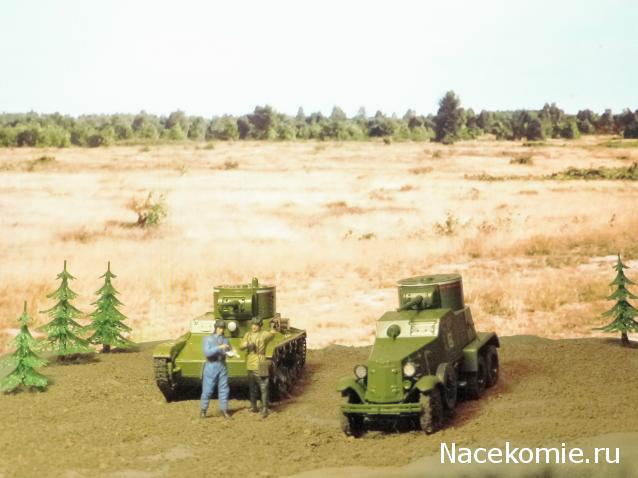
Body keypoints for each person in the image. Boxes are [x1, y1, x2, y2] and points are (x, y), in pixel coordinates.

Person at [240, 317, 276, 418]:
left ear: (260, 326)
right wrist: (247, 344)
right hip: (250, 362)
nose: (254, 327)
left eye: (256, 325)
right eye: (253, 325)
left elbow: (273, 334)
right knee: (252, 386)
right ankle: (253, 406)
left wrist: (274, 325)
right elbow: (241, 346)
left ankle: (264, 408)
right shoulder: (248, 335)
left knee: (264, 386)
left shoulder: (264, 334)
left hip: (261, 361)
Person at [200, 319, 232, 419]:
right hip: (211, 366)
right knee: (208, 389)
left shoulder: (225, 340)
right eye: (219, 328)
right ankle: (203, 410)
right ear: (216, 328)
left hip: (222, 365)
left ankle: (224, 410)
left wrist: (231, 352)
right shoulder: (208, 339)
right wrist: (219, 347)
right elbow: (207, 352)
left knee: (224, 389)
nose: (221, 330)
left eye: (223, 328)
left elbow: (229, 350)